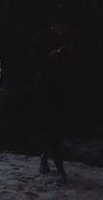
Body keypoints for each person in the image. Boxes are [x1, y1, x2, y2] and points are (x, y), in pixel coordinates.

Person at [31, 16, 78, 185]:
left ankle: (44, 159)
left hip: (63, 90)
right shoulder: (41, 38)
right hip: (47, 90)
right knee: (53, 129)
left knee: (54, 130)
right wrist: (51, 57)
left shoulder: (69, 38)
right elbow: (36, 64)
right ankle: (61, 172)